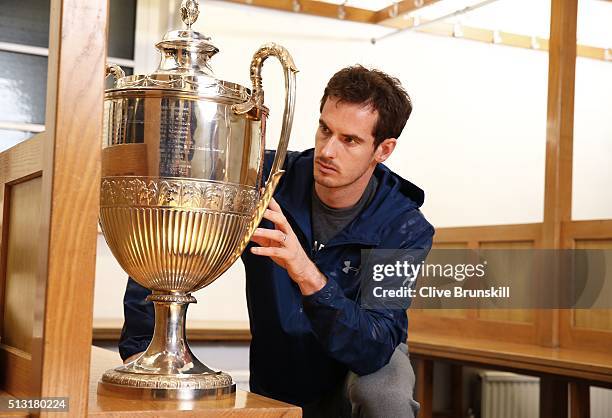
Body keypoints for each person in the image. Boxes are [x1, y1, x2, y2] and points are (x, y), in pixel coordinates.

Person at [120, 65, 434, 418]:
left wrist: (309, 276)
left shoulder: (404, 227)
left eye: (350, 140)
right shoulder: (264, 180)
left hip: (361, 360)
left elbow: (374, 346)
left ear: (383, 150)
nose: (328, 151)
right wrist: (142, 346)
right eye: (324, 129)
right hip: (280, 367)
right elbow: (170, 235)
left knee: (385, 395)